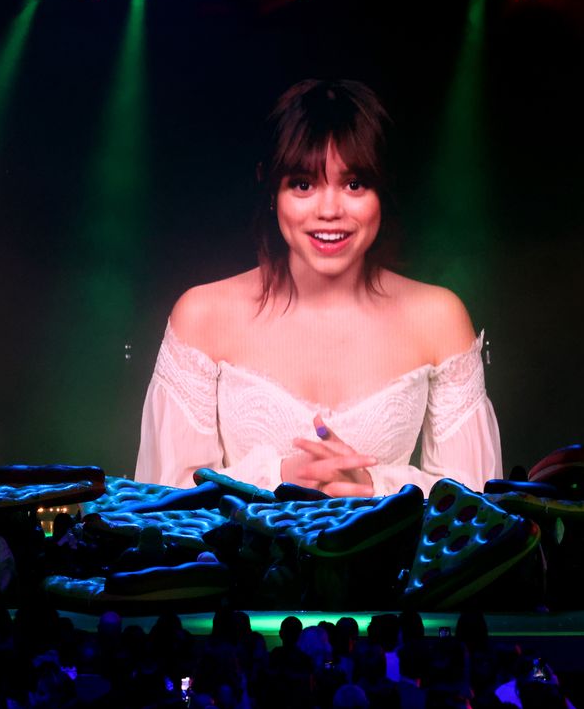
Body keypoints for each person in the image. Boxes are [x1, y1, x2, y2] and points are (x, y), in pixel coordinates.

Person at [135, 80, 502, 495]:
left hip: (387, 562)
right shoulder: (203, 315)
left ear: (382, 190)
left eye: (354, 184)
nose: (330, 211)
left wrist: (374, 485)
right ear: (272, 189)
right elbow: (165, 504)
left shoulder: (438, 317)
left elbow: (475, 507)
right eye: (304, 184)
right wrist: (278, 478)